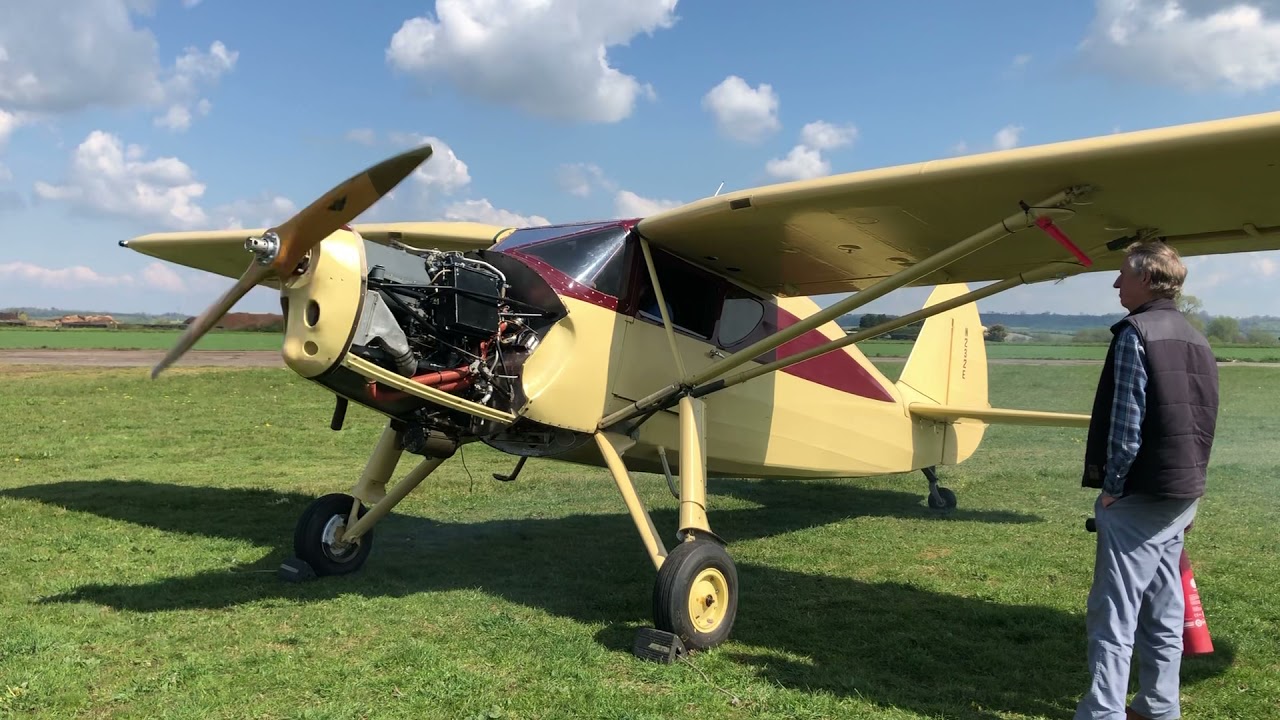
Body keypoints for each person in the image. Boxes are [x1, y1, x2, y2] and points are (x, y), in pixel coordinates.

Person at [1075, 241, 1219, 720]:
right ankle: (1159, 706)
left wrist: (1114, 486)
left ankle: (1103, 711)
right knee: (1163, 610)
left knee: (1113, 614)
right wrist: (1191, 491)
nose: (1116, 284)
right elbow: (1203, 421)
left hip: (1138, 497)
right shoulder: (1196, 338)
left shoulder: (1134, 334)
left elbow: (1126, 424)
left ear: (1147, 280)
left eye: (1122, 275)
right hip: (1181, 493)